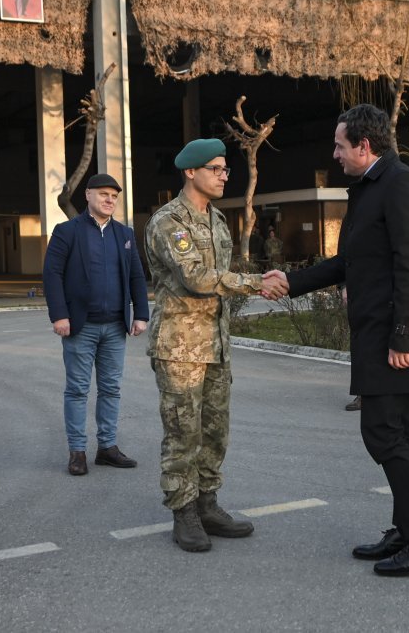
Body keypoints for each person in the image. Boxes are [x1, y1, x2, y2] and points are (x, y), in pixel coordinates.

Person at [264, 104, 409, 576]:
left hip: (397, 336)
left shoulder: (402, 187)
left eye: (340, 146)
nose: (335, 153)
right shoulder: (367, 190)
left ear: (364, 147)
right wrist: (290, 280)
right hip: (377, 333)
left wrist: (403, 337)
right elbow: (347, 263)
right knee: (402, 433)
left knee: (383, 433)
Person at [144, 138, 287, 552]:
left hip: (216, 344)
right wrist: (257, 284)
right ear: (190, 172)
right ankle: (183, 511)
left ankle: (208, 503)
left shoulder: (217, 220)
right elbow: (198, 278)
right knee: (182, 433)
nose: (225, 175)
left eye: (226, 169)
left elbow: (219, 277)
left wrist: (254, 281)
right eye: (216, 169)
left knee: (214, 432)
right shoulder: (170, 221)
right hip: (180, 348)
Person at [43, 173, 149, 476]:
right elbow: (52, 275)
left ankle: (107, 448)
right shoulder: (67, 232)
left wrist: (140, 313)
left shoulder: (124, 233)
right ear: (88, 195)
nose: (109, 200)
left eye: (114, 196)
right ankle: (77, 451)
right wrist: (59, 315)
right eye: (103, 194)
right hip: (80, 326)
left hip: (116, 326)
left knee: (111, 389)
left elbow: (136, 276)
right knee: (77, 390)